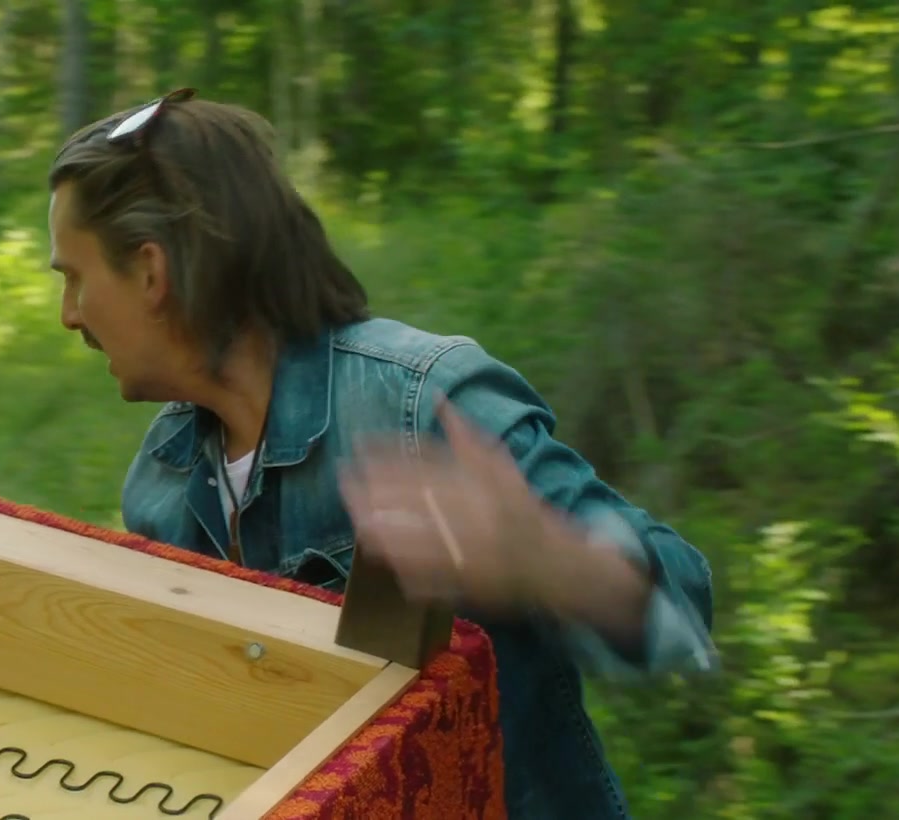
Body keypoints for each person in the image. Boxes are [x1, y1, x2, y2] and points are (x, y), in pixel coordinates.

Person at [45, 88, 716, 819]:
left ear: (151, 272)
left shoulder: (421, 403)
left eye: (75, 277)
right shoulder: (161, 479)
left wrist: (547, 558)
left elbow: (683, 599)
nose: (69, 315)